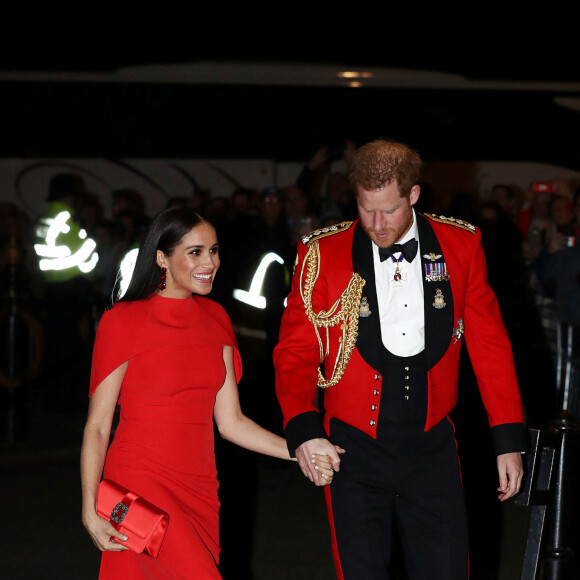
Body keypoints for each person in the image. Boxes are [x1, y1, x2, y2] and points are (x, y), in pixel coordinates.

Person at [273, 139, 526, 580]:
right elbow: (294, 354)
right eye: (366, 209)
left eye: (388, 210)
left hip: (432, 448)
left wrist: (507, 438)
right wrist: (303, 429)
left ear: (413, 195)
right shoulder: (320, 254)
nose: (376, 223)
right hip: (351, 450)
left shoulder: (461, 245)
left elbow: (491, 347)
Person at [80, 207, 337, 579]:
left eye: (214, 250)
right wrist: (90, 508)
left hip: (199, 486)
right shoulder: (122, 320)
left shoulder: (216, 318)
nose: (210, 262)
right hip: (139, 483)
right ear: (161, 258)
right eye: (195, 252)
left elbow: (231, 422)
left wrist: (300, 451)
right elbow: (98, 426)